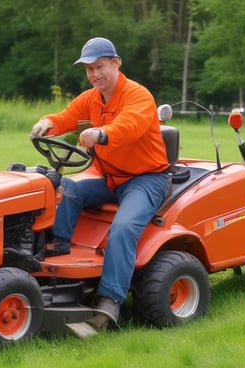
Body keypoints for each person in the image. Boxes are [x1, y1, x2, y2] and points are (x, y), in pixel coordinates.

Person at [30, 37, 170, 331]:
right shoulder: (91, 97)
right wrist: (47, 122)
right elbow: (66, 117)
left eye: (100, 67)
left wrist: (101, 134)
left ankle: (110, 302)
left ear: (116, 64)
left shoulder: (138, 95)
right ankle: (59, 252)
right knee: (66, 189)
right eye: (89, 69)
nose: (94, 75)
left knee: (122, 229)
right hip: (109, 177)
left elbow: (129, 126)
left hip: (146, 179)